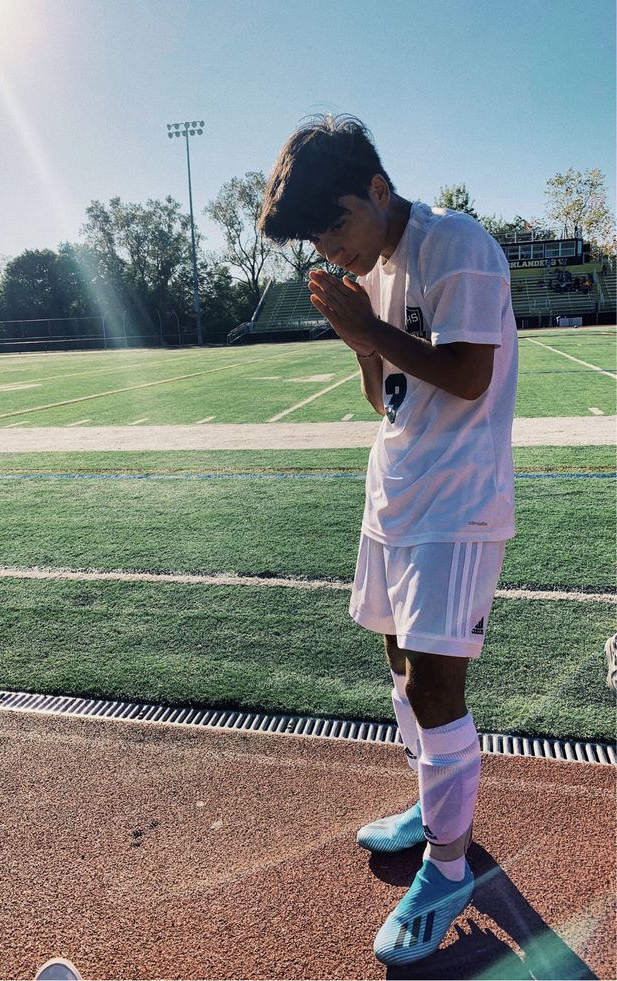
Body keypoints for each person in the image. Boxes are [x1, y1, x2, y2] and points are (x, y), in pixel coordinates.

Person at [258, 115, 517, 967]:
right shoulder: (371, 269)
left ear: (376, 188)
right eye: (316, 239)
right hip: (395, 495)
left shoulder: (457, 245)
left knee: (438, 689)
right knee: (399, 668)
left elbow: (468, 375)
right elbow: (387, 397)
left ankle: (447, 868)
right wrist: (355, 337)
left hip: (456, 504)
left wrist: (367, 327)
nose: (332, 248)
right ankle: (430, 803)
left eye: (334, 223)